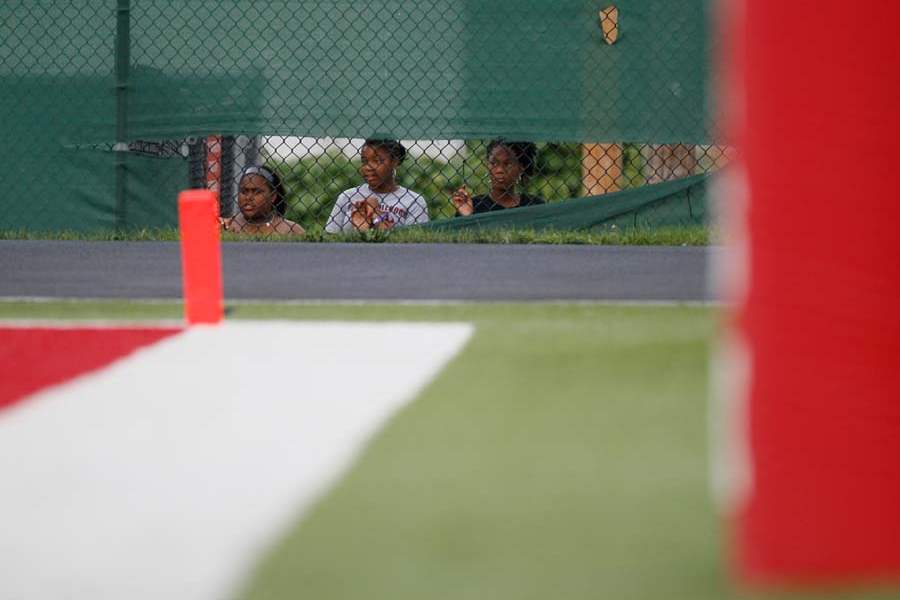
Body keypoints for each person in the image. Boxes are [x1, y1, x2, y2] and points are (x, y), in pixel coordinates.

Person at [325, 139, 429, 233]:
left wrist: (376, 216)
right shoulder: (347, 196)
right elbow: (330, 237)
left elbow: (412, 245)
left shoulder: (414, 201)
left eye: (377, 161)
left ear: (394, 162)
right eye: (364, 161)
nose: (368, 167)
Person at [451, 139, 545, 216]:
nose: (499, 170)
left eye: (508, 164)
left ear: (521, 168)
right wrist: (467, 216)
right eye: (494, 163)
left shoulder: (535, 205)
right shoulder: (473, 205)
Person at [221, 165, 305, 236]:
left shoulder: (291, 230)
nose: (248, 197)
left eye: (257, 192)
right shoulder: (227, 225)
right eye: (244, 191)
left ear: (272, 196)